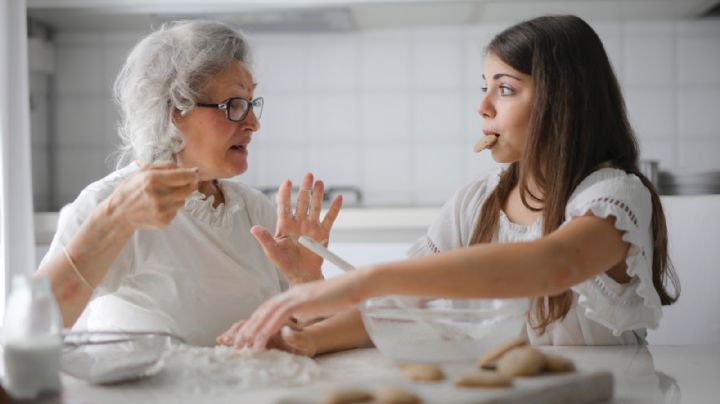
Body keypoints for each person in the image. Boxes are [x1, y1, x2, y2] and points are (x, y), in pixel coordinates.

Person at [219, 14, 680, 352]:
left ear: (563, 101)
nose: (482, 107)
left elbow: (554, 264)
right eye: (484, 86)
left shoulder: (615, 196)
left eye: (505, 88)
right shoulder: (475, 202)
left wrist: (368, 278)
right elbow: (403, 305)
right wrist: (308, 336)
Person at [35, 20, 341, 346]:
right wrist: (114, 220)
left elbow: (302, 335)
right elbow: (35, 325)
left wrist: (305, 279)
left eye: (251, 104)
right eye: (234, 105)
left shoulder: (254, 211)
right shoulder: (110, 202)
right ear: (174, 111)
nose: (254, 123)